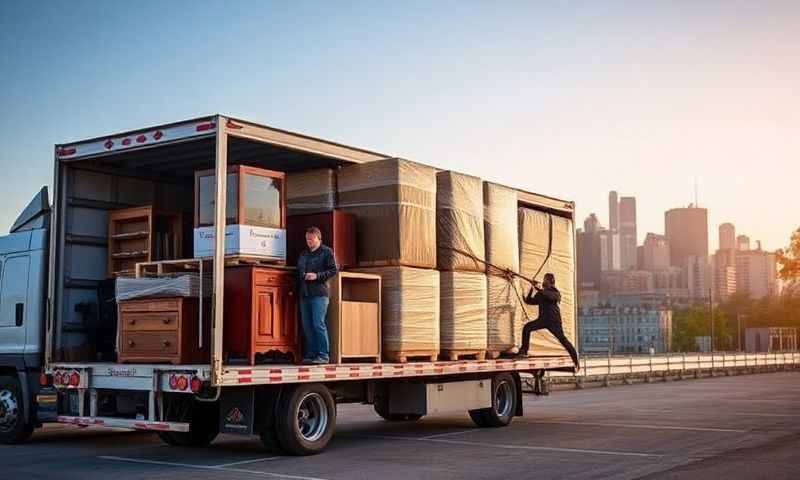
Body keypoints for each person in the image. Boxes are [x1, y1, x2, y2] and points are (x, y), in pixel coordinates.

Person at [516, 272, 580, 370]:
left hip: (554, 322)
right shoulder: (542, 293)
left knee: (563, 340)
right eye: (544, 279)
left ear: (551, 282)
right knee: (527, 327)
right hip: (542, 320)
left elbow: (549, 296)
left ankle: (576, 361)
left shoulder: (556, 293)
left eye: (545, 280)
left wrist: (538, 288)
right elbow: (529, 301)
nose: (544, 281)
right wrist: (532, 288)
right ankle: (524, 351)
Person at [296, 226, 338, 364]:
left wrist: (317, 276)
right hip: (305, 294)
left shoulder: (326, 252)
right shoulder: (303, 254)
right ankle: (312, 354)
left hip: (319, 294)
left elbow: (333, 270)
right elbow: (298, 271)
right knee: (307, 326)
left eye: (311, 239)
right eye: (307, 239)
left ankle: (323, 355)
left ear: (318, 238)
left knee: (318, 324)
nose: (308, 241)